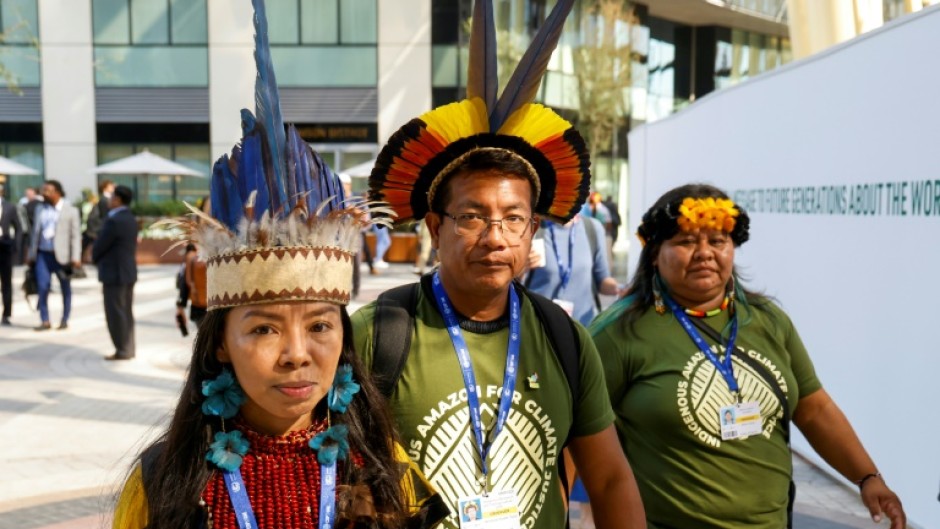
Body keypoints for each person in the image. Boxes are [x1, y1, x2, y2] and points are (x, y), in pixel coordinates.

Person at [112, 2, 445, 528]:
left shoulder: (385, 474)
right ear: (220, 340)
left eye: (319, 324)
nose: (296, 355)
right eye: (264, 327)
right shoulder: (165, 485)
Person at [356, 2, 645, 527]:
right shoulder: (379, 333)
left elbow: (608, 478)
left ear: (533, 229)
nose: (495, 237)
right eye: (471, 215)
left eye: (513, 219)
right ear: (434, 227)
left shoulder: (564, 338)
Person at [590, 183, 906, 529]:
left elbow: (815, 409)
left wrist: (867, 476)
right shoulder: (618, 333)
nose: (704, 253)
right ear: (653, 252)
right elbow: (580, 432)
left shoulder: (767, 320)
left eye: (718, 241)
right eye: (686, 241)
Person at [524, 214, 620, 326]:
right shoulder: (533, 227)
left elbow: (602, 281)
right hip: (539, 327)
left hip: (582, 329)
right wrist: (521, 267)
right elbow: (513, 284)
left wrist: (621, 289)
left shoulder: (592, 228)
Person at [27, 180, 81, 331]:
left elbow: (75, 235)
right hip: (43, 255)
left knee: (65, 287)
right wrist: (31, 254)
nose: (44, 193)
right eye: (43, 190)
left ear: (57, 192)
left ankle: (65, 318)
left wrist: (76, 257)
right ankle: (45, 320)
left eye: (47, 191)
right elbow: (35, 233)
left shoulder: (71, 210)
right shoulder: (40, 209)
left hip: (62, 256)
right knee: (43, 287)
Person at [92, 185, 138, 361]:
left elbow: (100, 246)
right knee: (126, 312)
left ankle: (122, 350)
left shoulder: (114, 220)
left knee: (115, 313)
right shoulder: (130, 218)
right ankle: (128, 348)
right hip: (127, 272)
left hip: (114, 273)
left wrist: (93, 256)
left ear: (118, 199)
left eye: (112, 197)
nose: (109, 200)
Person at [0, 181, 24, 325]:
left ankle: (7, 313)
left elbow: (19, 227)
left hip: (4, 247)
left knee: (6, 282)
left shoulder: (9, 206)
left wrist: (16, 245)